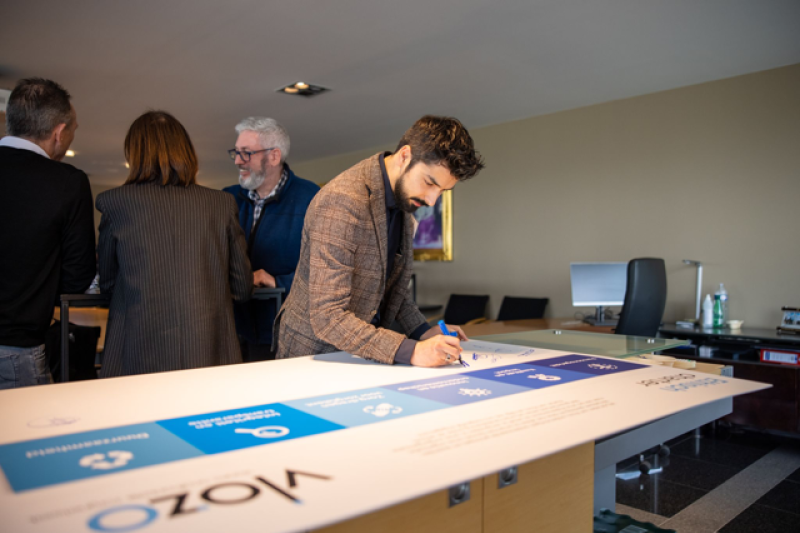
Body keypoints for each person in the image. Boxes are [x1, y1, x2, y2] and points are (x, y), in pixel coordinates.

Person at [276, 115, 484, 367]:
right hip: (314, 354)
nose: (432, 201)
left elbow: (393, 288)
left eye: (442, 191)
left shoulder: (404, 199)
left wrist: (422, 331)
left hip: (364, 352)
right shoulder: (341, 201)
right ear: (405, 155)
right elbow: (327, 317)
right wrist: (413, 351)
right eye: (429, 182)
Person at [96, 111, 253, 377]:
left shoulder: (115, 202)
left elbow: (108, 283)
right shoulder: (221, 203)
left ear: (134, 153)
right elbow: (241, 287)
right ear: (186, 151)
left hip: (137, 348)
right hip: (209, 348)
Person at [0, 78, 95, 389]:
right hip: (16, 346)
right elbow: (77, 276)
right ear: (59, 132)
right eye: (73, 130)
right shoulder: (67, 182)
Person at [223, 117, 319, 362]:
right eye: (236, 152)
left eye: (246, 153)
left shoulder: (312, 200)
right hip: (232, 336)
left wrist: (278, 281)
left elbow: (325, 269)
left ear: (274, 156)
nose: (237, 160)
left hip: (287, 341)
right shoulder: (225, 200)